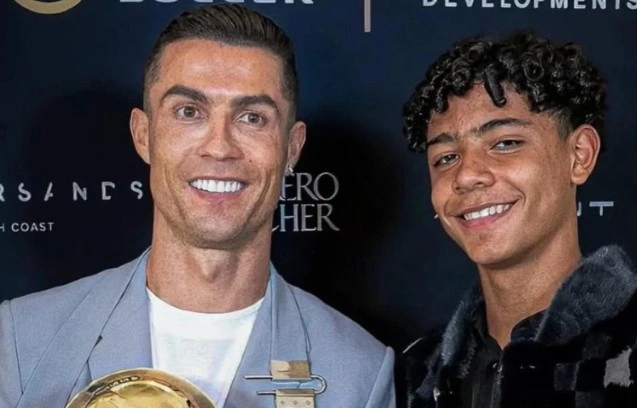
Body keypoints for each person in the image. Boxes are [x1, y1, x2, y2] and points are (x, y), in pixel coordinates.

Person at [0, 5, 394, 408]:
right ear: (143, 135)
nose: (219, 147)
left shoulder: (357, 375)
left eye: (252, 118)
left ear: (292, 147)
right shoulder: (19, 343)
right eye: (189, 112)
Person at [396, 31, 637, 407]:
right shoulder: (418, 372)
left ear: (579, 155)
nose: (467, 175)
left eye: (505, 143)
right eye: (445, 158)